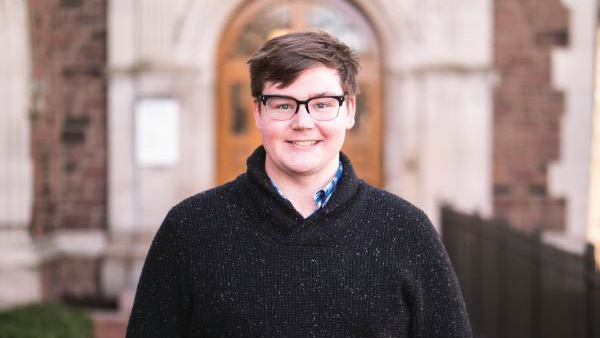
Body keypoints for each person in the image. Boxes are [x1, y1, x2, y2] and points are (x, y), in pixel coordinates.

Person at [126, 31, 472, 338]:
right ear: (258, 112)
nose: (303, 122)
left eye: (322, 104)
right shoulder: (190, 228)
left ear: (349, 110)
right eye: (283, 104)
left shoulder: (405, 230)